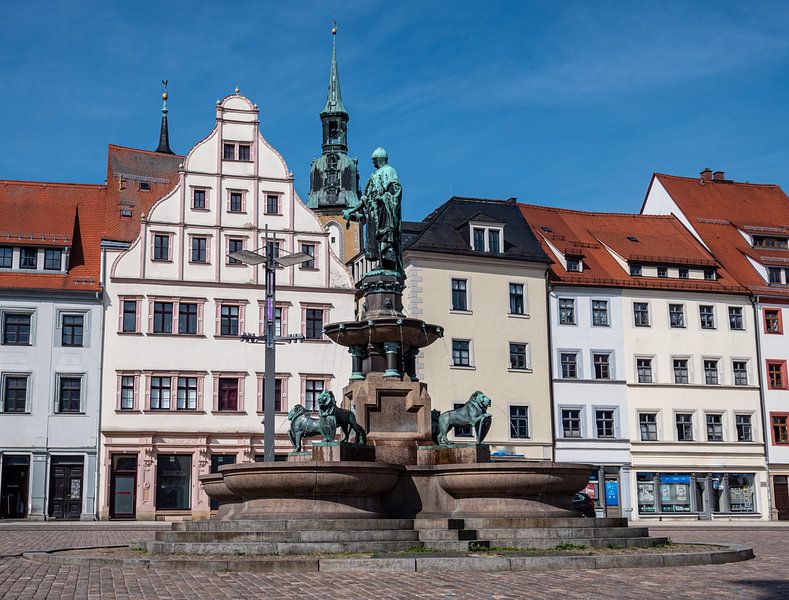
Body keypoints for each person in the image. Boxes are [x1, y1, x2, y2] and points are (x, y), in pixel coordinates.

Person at [343, 147, 403, 274]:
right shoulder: (373, 175)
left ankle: (388, 264)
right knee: (377, 240)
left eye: (374, 160)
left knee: (385, 238)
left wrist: (384, 198)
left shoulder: (390, 171)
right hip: (373, 212)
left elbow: (396, 190)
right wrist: (352, 210)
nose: (372, 163)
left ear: (379, 159)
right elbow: (365, 197)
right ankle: (382, 263)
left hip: (384, 211)